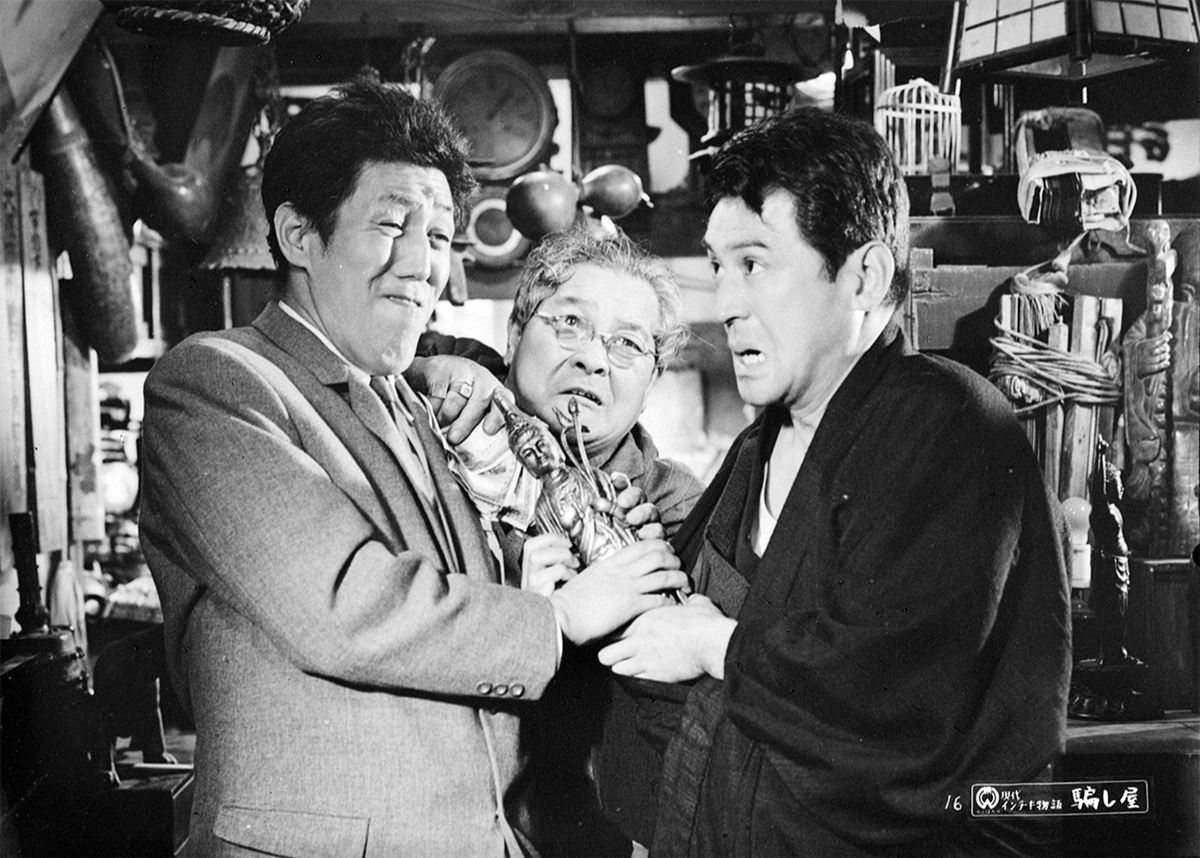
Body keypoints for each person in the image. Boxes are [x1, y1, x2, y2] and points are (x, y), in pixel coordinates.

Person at [138, 77, 685, 857]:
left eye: (438, 235)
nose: (420, 264)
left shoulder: (421, 402)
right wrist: (558, 618)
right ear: (298, 234)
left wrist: (537, 575)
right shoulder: (216, 384)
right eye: (392, 226)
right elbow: (345, 604)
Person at [597, 107, 1072, 856]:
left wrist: (719, 646)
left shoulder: (947, 423)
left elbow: (899, 695)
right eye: (718, 267)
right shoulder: (761, 442)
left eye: (755, 264)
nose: (726, 304)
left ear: (864, 276)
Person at [412, 226, 703, 855]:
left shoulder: (672, 506)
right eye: (570, 323)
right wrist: (426, 370)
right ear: (515, 333)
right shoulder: (436, 421)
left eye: (627, 344)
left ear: (651, 380)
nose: (594, 358)